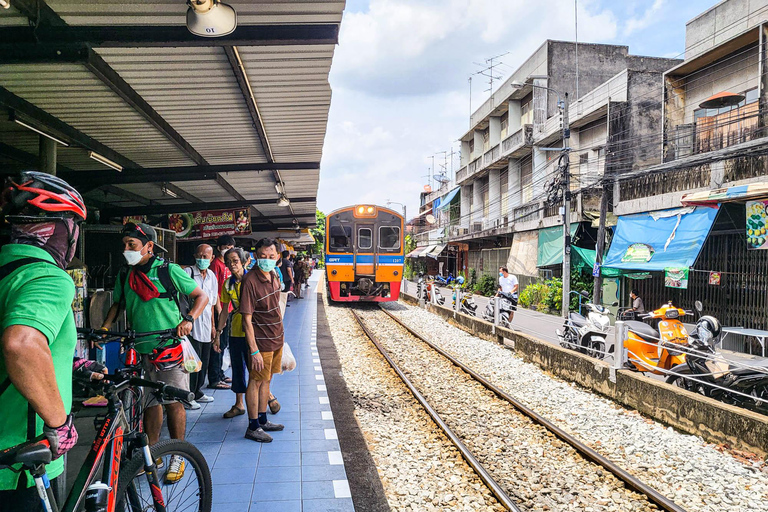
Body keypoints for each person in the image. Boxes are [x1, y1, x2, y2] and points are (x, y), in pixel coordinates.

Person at [0, 171, 86, 509]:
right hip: (17, 462)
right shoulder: (47, 275)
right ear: (63, 229)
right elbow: (21, 344)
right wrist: (59, 422)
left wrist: (71, 361)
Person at [100, 222, 208, 484]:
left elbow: (201, 297)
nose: (127, 250)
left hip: (169, 349)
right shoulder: (125, 275)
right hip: (141, 349)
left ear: (149, 246)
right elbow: (119, 303)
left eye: (132, 245)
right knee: (151, 403)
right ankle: (152, 454)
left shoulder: (169, 271)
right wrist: (104, 327)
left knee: (173, 403)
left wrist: (189, 320)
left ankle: (178, 455)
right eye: (125, 245)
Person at [239, 238, 285, 442]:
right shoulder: (250, 281)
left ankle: (263, 419)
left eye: (271, 256)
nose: (267, 260)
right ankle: (253, 426)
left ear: (278, 257)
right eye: (263, 256)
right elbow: (246, 320)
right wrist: (254, 350)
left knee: (267, 379)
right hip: (261, 341)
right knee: (256, 381)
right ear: (255, 256)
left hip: (276, 338)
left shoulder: (274, 274)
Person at [183, 244, 219, 409]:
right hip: (190, 325)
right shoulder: (187, 273)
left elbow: (211, 303)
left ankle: (198, 392)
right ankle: (188, 395)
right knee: (191, 362)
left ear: (212, 258)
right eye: (200, 256)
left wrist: (213, 326)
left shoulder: (212, 276)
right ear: (194, 256)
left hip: (206, 325)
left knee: (204, 359)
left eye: (206, 257)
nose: (202, 259)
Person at [216, 247, 248, 419]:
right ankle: (239, 404)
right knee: (237, 368)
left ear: (243, 262)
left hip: (254, 331)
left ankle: (267, 398)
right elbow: (224, 312)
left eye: (235, 261)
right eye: (228, 262)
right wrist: (218, 333)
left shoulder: (253, 279)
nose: (231, 264)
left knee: (257, 368)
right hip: (236, 331)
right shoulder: (228, 284)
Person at [208, 235, 234, 391]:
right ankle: (214, 378)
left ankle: (220, 373)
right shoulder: (216, 265)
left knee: (223, 344)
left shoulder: (228, 265)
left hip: (228, 309)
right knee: (217, 344)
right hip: (220, 310)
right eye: (225, 247)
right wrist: (219, 312)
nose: (228, 250)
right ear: (219, 248)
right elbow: (214, 290)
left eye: (230, 248)